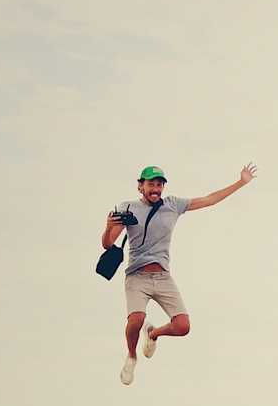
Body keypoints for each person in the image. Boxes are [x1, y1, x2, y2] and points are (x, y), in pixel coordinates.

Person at [101, 162, 257, 386]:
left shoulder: (173, 205)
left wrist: (241, 182)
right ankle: (132, 356)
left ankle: (153, 335)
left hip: (163, 276)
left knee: (183, 326)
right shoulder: (127, 208)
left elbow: (209, 199)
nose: (155, 188)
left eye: (159, 184)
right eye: (150, 184)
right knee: (136, 319)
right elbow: (107, 244)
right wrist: (108, 227)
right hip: (137, 276)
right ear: (140, 187)